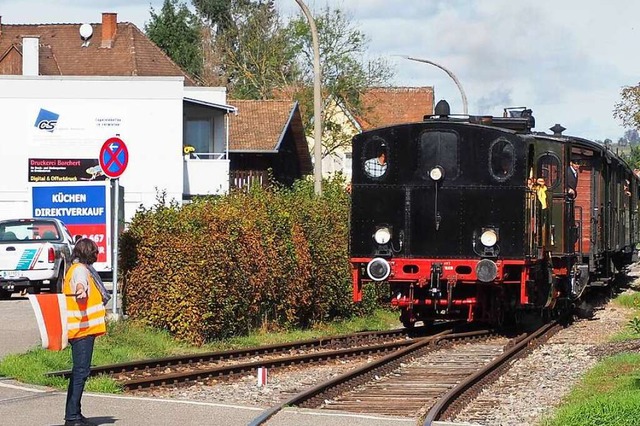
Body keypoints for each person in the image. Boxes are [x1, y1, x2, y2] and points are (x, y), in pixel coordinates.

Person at [63, 238, 109, 426]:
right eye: (95, 252)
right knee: (81, 372)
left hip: (81, 328)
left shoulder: (74, 268)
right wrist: (81, 290)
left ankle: (75, 413)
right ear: (88, 253)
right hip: (82, 330)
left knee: (79, 372)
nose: (97, 255)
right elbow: (81, 284)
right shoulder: (81, 270)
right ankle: (72, 417)